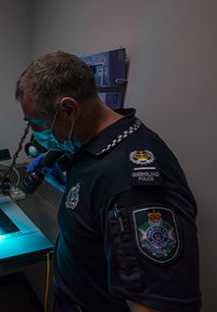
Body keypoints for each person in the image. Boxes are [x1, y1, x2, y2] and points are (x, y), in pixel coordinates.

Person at [16, 51, 200, 312]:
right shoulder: (92, 145)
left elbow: (157, 304)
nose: (35, 135)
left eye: (36, 124)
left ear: (69, 110)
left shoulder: (132, 179)